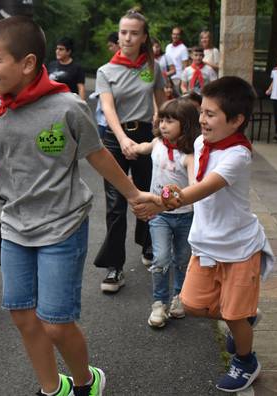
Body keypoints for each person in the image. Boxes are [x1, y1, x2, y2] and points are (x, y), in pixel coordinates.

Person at [0, 15, 158, 396]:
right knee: (22, 316)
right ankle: (52, 389)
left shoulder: (68, 107)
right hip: (15, 226)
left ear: (27, 63)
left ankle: (85, 382)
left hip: (62, 225)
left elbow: (98, 157)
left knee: (56, 323)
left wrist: (133, 195)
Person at [135, 76, 274, 393]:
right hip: (207, 243)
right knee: (191, 304)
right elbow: (191, 184)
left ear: (236, 120)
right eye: (203, 112)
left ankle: (245, 360)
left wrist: (159, 202)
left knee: (233, 315)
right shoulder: (200, 143)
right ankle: (244, 318)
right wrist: (173, 193)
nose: (202, 119)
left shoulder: (238, 155)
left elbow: (203, 189)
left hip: (239, 247)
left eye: (211, 114)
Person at [94, 10, 166, 294]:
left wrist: (162, 128)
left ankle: (147, 244)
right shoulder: (105, 71)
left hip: (147, 135)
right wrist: (123, 139)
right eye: (124, 32)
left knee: (148, 193)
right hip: (115, 138)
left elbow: (162, 101)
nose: (127, 37)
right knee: (116, 203)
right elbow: (108, 109)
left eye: (134, 33)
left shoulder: (152, 67)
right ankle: (114, 267)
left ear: (143, 37)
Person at [131, 99, 198, 328]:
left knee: (182, 259)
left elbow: (193, 185)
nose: (163, 125)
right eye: (162, 120)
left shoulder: (188, 155)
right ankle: (158, 303)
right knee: (160, 258)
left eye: (170, 121)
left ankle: (178, 298)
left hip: (185, 215)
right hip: (159, 215)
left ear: (186, 124)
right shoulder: (158, 143)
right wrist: (131, 147)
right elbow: (143, 147)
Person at [90, 32, 120, 138]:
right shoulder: (106, 69)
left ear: (119, 44)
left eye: (111, 46)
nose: (110, 49)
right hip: (104, 119)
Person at [164, 26, 189, 96]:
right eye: (174, 34)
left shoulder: (183, 48)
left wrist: (182, 80)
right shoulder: (168, 47)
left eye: (177, 34)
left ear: (180, 36)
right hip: (167, 78)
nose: (175, 36)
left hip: (177, 78)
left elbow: (185, 66)